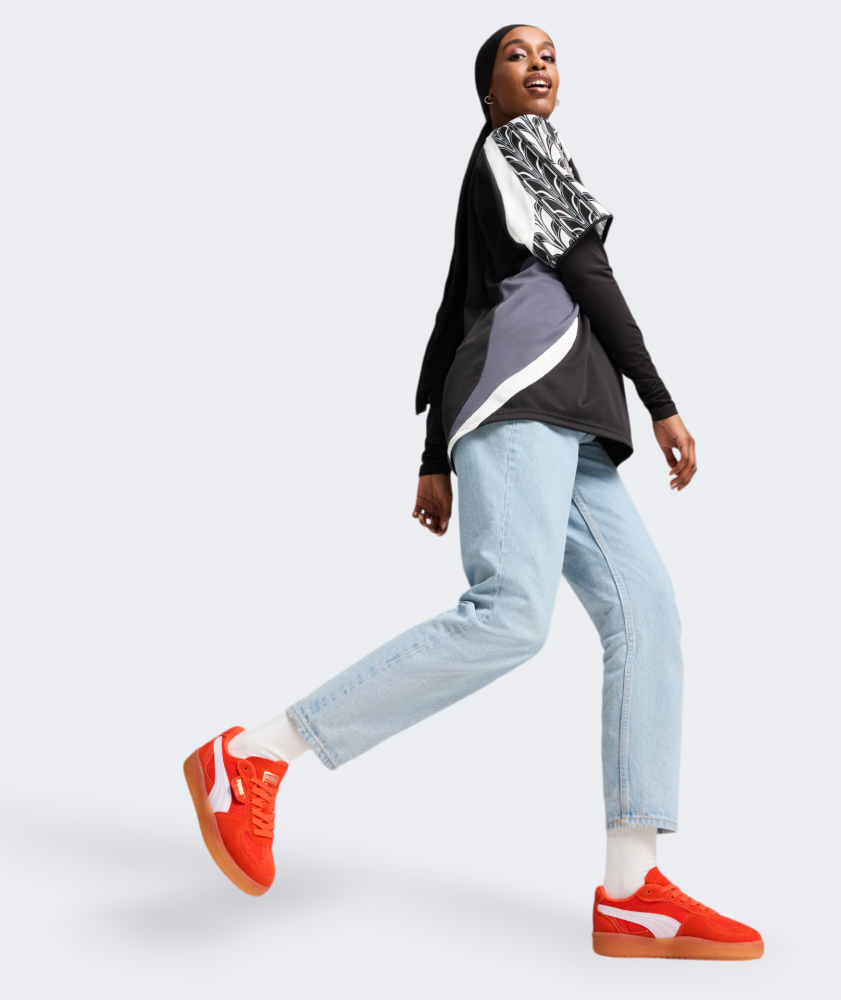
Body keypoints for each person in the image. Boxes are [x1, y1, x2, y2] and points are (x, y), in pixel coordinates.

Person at [183, 24, 763, 961]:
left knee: (648, 612)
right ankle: (252, 754)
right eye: (516, 55)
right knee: (510, 616)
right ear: (488, 89)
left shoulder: (502, 167)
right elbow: (587, 274)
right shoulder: (519, 143)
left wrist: (432, 453)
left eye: (551, 54)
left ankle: (632, 890)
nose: (539, 63)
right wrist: (661, 400)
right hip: (520, 403)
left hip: (571, 424)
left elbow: (457, 301)